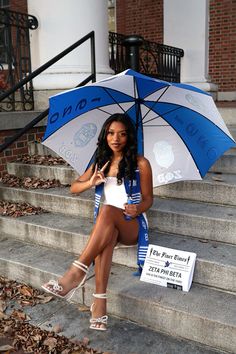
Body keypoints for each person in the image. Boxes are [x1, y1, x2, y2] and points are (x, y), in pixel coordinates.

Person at [42, 113, 153, 331]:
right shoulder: (100, 164)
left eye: (122, 134)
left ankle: (77, 271)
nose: (116, 138)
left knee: (108, 209)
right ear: (105, 136)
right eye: (111, 133)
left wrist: (138, 207)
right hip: (108, 225)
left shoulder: (141, 163)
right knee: (107, 233)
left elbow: (149, 198)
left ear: (130, 137)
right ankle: (99, 303)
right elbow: (74, 188)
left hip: (132, 224)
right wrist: (90, 182)